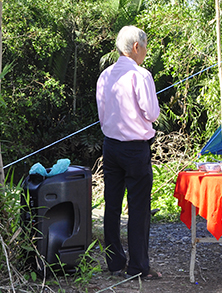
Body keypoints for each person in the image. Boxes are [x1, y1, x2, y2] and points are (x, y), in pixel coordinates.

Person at [96, 25, 162, 280]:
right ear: (136, 47)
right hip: (135, 148)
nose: (145, 52)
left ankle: (114, 263)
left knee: (112, 205)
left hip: (111, 145)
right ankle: (138, 267)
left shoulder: (105, 75)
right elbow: (152, 113)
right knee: (138, 207)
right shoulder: (140, 75)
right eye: (144, 47)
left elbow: (102, 114)